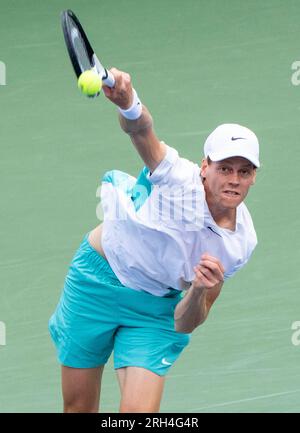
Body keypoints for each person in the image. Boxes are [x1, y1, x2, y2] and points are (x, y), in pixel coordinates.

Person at [48, 68, 259, 413]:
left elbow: (185, 321)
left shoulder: (240, 243)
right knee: (78, 408)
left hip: (155, 308)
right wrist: (129, 103)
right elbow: (142, 131)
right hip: (95, 282)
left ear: (253, 178)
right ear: (204, 166)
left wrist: (200, 290)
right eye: (225, 168)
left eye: (245, 171)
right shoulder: (177, 179)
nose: (234, 179)